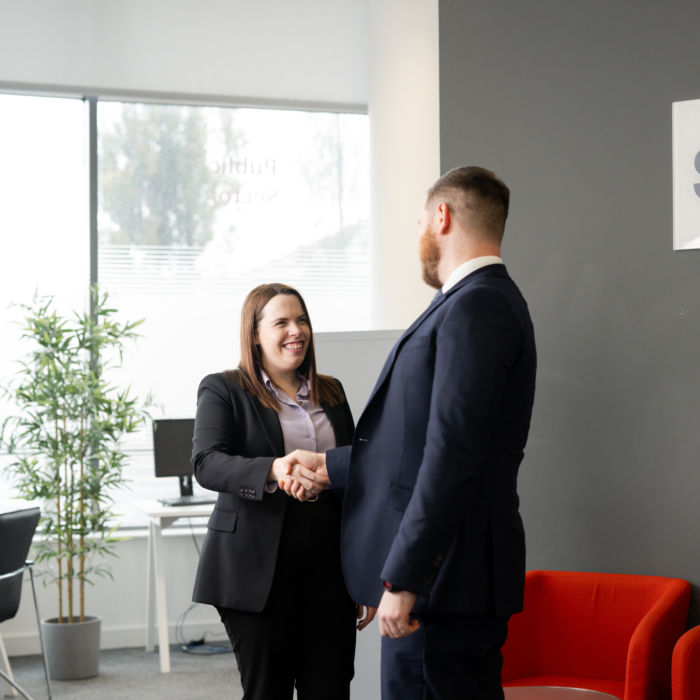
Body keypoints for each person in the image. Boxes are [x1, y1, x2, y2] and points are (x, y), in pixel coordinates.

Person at [283, 166, 537, 700]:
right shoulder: (474, 300)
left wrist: (405, 578)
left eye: (420, 220)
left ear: (441, 217)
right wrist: (330, 467)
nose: (419, 232)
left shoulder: (477, 304)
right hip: (453, 580)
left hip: (441, 585)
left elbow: (452, 456)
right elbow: (416, 446)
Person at [190, 283, 375, 700]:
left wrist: (364, 571)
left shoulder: (332, 391)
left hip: (330, 565)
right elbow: (206, 462)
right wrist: (273, 468)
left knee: (330, 688)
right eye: (282, 322)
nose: (296, 330)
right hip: (256, 567)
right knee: (267, 691)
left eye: (302, 320)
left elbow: (357, 473)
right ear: (255, 334)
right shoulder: (224, 389)